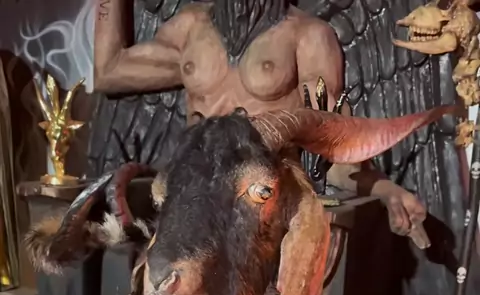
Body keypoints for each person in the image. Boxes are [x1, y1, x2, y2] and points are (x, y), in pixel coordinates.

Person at [94, 0, 430, 248]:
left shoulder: (307, 37)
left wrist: (384, 190)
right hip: (189, 194)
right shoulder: (190, 27)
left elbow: (332, 149)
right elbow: (110, 71)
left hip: (261, 208)